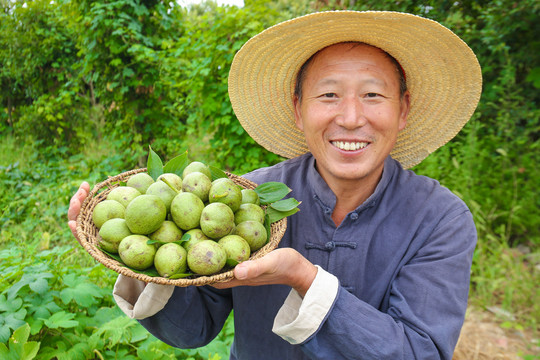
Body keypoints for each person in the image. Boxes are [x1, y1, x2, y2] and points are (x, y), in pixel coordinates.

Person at [68, 11, 482, 360]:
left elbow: (420, 351)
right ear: (299, 110)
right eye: (329, 95)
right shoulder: (250, 200)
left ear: (403, 110)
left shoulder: (439, 219)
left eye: (373, 94)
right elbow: (192, 331)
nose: (352, 117)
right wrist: (138, 262)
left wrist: (305, 279)